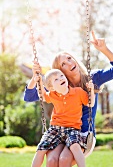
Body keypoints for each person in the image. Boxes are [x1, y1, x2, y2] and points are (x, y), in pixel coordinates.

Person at [24, 31, 113, 167]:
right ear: (60, 72)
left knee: (64, 159)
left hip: (83, 134)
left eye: (69, 58)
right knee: (53, 160)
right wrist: (35, 77)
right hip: (60, 132)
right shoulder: (59, 87)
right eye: (63, 64)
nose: (69, 63)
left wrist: (104, 49)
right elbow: (29, 96)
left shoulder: (93, 78)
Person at [30, 68, 95, 167]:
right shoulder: (52, 94)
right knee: (40, 150)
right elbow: (43, 96)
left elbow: (90, 103)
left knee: (75, 146)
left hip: (73, 128)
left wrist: (91, 90)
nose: (60, 79)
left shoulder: (78, 92)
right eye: (56, 79)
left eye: (61, 76)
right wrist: (39, 82)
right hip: (55, 128)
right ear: (52, 88)